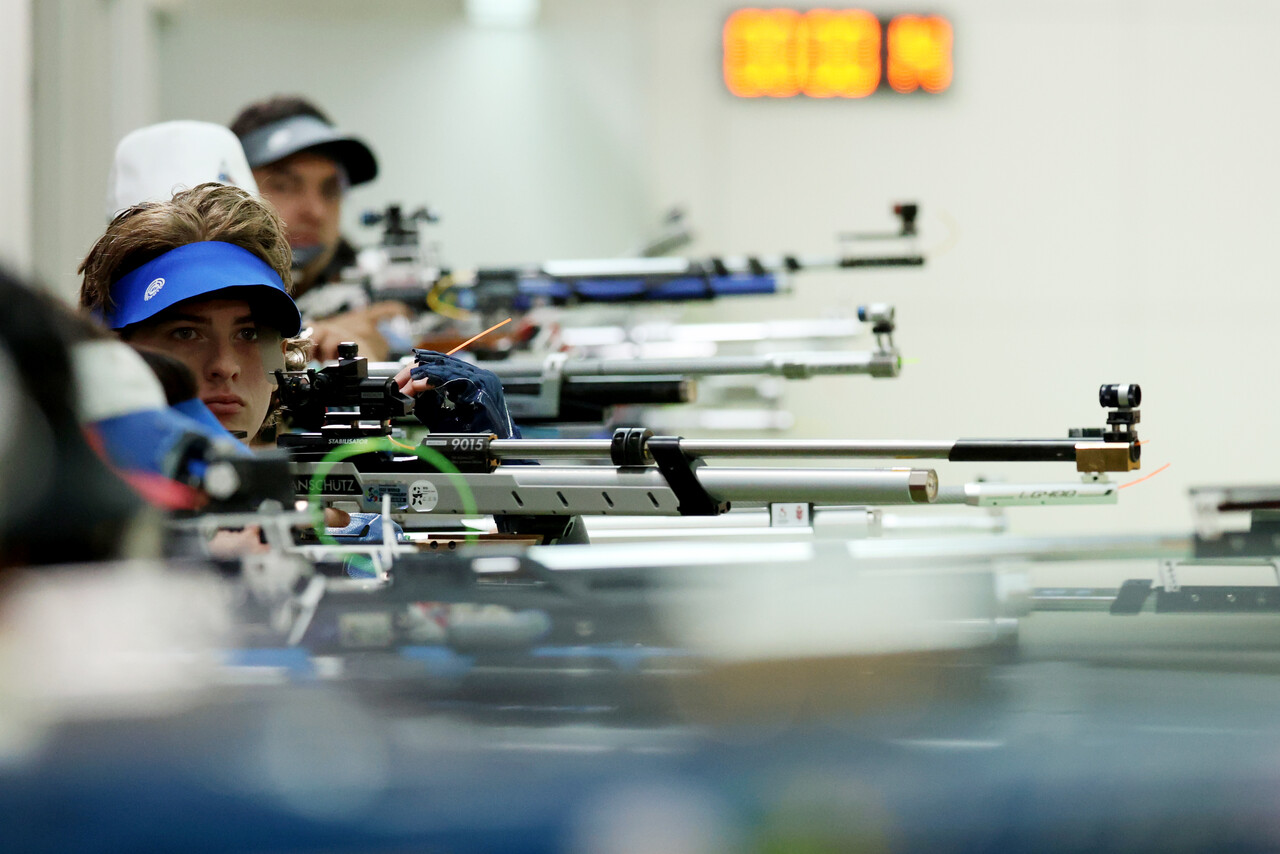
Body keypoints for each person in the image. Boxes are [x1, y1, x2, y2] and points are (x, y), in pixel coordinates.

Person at [230, 95, 408, 361]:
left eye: (330, 190)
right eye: (283, 185)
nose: (316, 211)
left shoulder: (373, 293)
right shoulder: (189, 292)